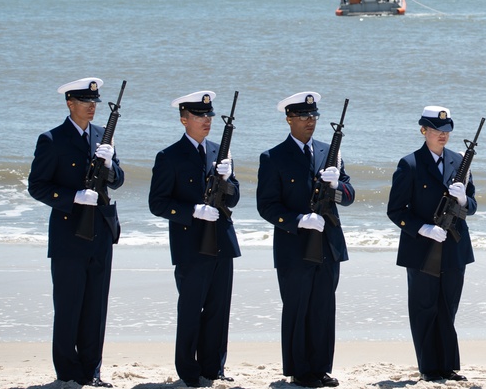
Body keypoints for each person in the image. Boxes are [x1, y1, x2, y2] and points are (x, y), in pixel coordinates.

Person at [27, 77, 125, 387]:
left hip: (100, 231)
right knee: (69, 306)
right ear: (70, 103)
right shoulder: (52, 139)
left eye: (94, 102)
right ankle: (68, 374)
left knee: (96, 307)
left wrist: (109, 166)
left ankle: (91, 372)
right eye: (86, 102)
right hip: (69, 233)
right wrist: (72, 198)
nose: (92, 107)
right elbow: (37, 186)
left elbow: (118, 179)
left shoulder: (101, 136)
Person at [257, 92, 355, 388]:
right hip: (294, 244)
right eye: (303, 117)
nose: (309, 122)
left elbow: (349, 196)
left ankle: (321, 368)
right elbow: (268, 206)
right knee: (298, 306)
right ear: (289, 119)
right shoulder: (274, 157)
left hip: (328, 244)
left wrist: (337, 186)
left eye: (313, 116)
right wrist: (299, 220)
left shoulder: (330, 152)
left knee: (323, 307)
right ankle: (300, 370)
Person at [148, 90, 241, 387]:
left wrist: (227, 182)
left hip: (221, 241)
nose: (207, 121)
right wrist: (193, 212)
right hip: (190, 244)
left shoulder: (219, 152)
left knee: (218, 308)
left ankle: (213, 368)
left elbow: (235, 197)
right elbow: (158, 203)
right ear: (183, 119)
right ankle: (188, 371)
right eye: (200, 116)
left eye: (209, 115)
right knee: (191, 309)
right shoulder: (169, 156)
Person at [387, 106, 476, 382]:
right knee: (425, 307)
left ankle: (448, 367)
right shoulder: (410, 164)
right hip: (421, 248)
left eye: (447, 130)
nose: (443, 135)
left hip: (453, 248)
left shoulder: (459, 163)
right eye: (437, 130)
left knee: (447, 307)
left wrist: (463, 200)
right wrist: (423, 228)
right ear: (423, 130)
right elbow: (396, 210)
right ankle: (429, 368)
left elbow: (471, 206)